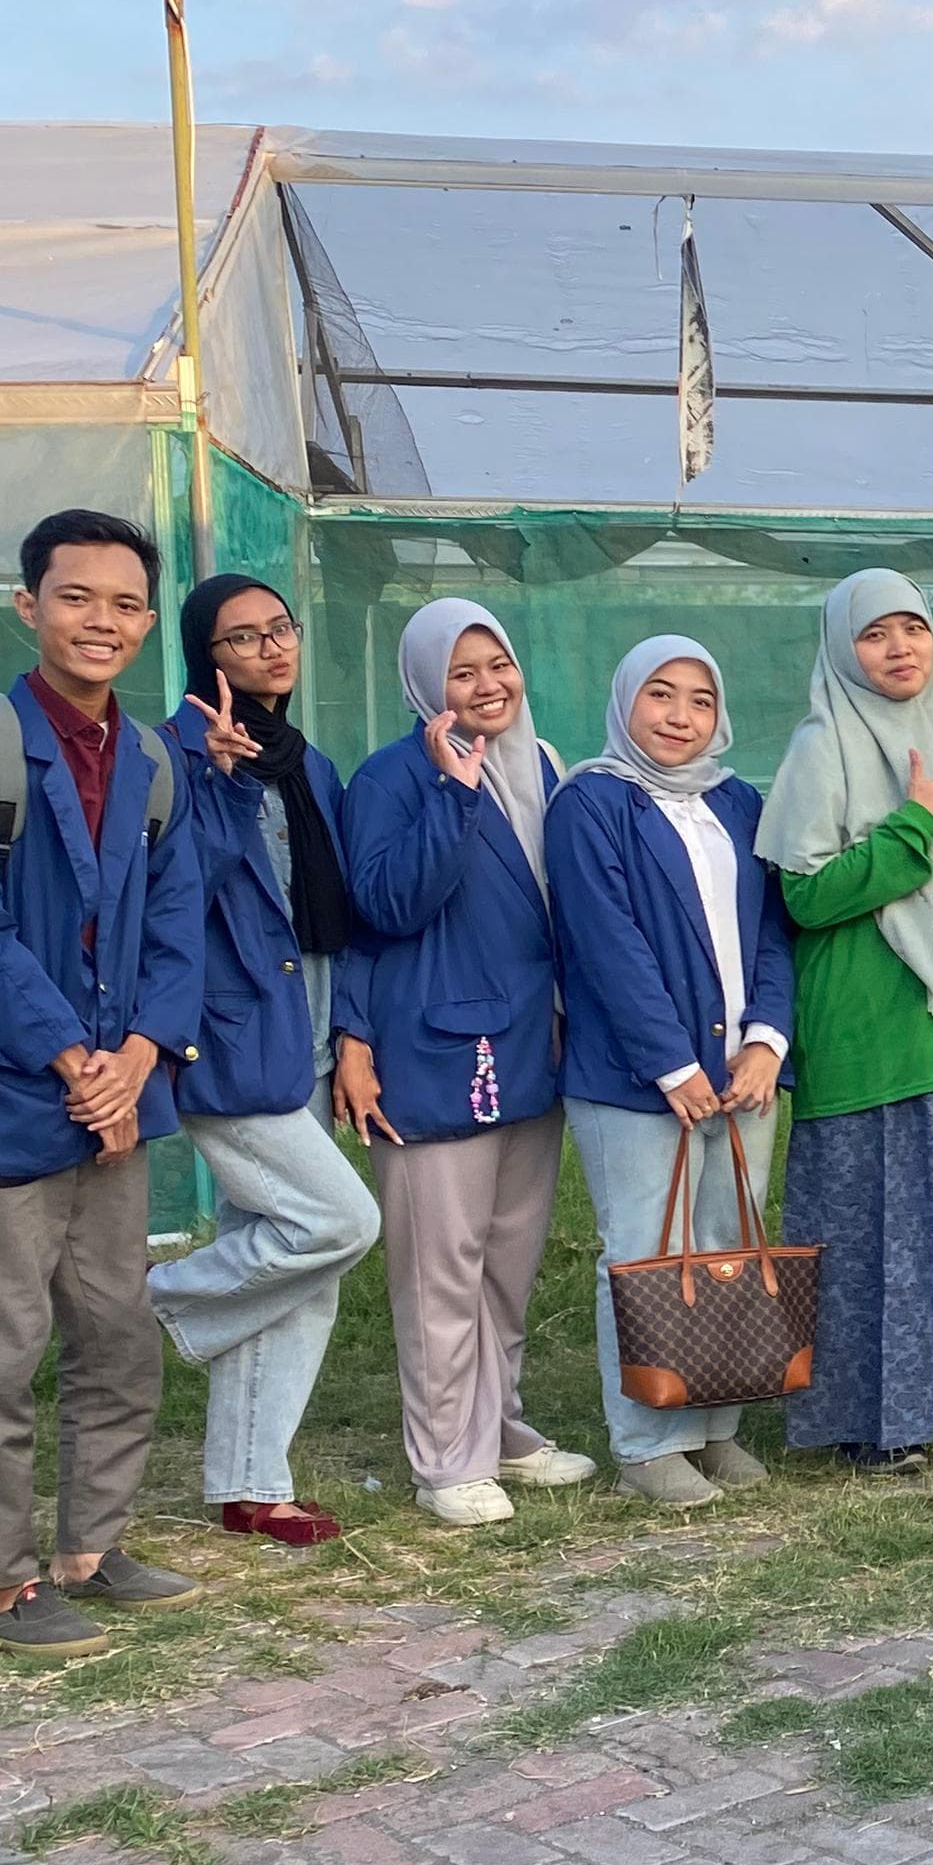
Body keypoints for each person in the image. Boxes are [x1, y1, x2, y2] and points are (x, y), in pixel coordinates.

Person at [0, 507, 210, 1654]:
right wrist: (75, 1056)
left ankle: (92, 1543)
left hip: (115, 1101)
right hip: (3, 1094)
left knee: (118, 1331)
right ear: (29, 607)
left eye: (127, 604)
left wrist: (137, 1057)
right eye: (78, 597)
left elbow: (182, 927)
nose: (103, 622)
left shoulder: (155, 761)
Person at [762, 568, 933, 1465]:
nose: (899, 649)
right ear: (843, 648)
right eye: (875, 635)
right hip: (871, 1031)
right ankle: (874, 1427)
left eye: (912, 630)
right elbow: (805, 893)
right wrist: (913, 825)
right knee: (877, 1237)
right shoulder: (821, 745)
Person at [338, 599, 596, 1527]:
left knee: (508, 1261)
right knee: (439, 1266)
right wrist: (452, 792)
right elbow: (384, 904)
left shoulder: (544, 764)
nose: (488, 687)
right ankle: (447, 1455)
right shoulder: (391, 777)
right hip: (434, 1049)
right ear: (424, 684)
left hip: (535, 1042)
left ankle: (503, 1429)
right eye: (462, 672)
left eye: (499, 665)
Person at [148, 574, 381, 1551]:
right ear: (209, 656)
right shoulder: (172, 755)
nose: (272, 649)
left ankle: (251, 1482)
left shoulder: (306, 762)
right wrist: (215, 779)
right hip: (230, 1032)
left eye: (281, 628)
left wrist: (348, 1044)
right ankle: (150, 1303)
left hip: (307, 1026)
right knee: (338, 1221)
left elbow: (334, 917)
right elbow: (166, 893)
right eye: (244, 640)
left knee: (299, 1261)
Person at [550, 636, 797, 1507]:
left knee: (727, 1249)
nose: (680, 716)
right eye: (661, 694)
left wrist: (767, 1040)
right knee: (650, 1253)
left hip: (741, 1075)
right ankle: (648, 1441)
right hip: (635, 1081)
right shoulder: (590, 802)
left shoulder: (738, 802)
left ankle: (714, 1425)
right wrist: (672, 1064)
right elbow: (604, 943)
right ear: (626, 701)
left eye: (699, 698)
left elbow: (773, 929)